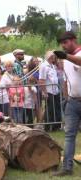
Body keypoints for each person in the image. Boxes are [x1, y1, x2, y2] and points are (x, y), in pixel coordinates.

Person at [52, 31, 81, 176]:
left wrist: (65, 57)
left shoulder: (76, 55)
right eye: (62, 43)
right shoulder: (66, 60)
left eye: (66, 42)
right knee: (69, 135)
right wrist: (66, 98)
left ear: (73, 40)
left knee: (70, 135)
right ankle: (67, 168)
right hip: (72, 101)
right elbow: (65, 80)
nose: (63, 45)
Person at [39, 51, 61, 131]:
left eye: (54, 57)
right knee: (49, 109)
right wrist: (44, 92)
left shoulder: (53, 66)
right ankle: (47, 127)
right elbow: (41, 80)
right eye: (52, 56)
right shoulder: (44, 66)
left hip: (55, 90)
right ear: (48, 57)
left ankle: (56, 126)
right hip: (49, 91)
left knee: (57, 108)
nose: (53, 58)